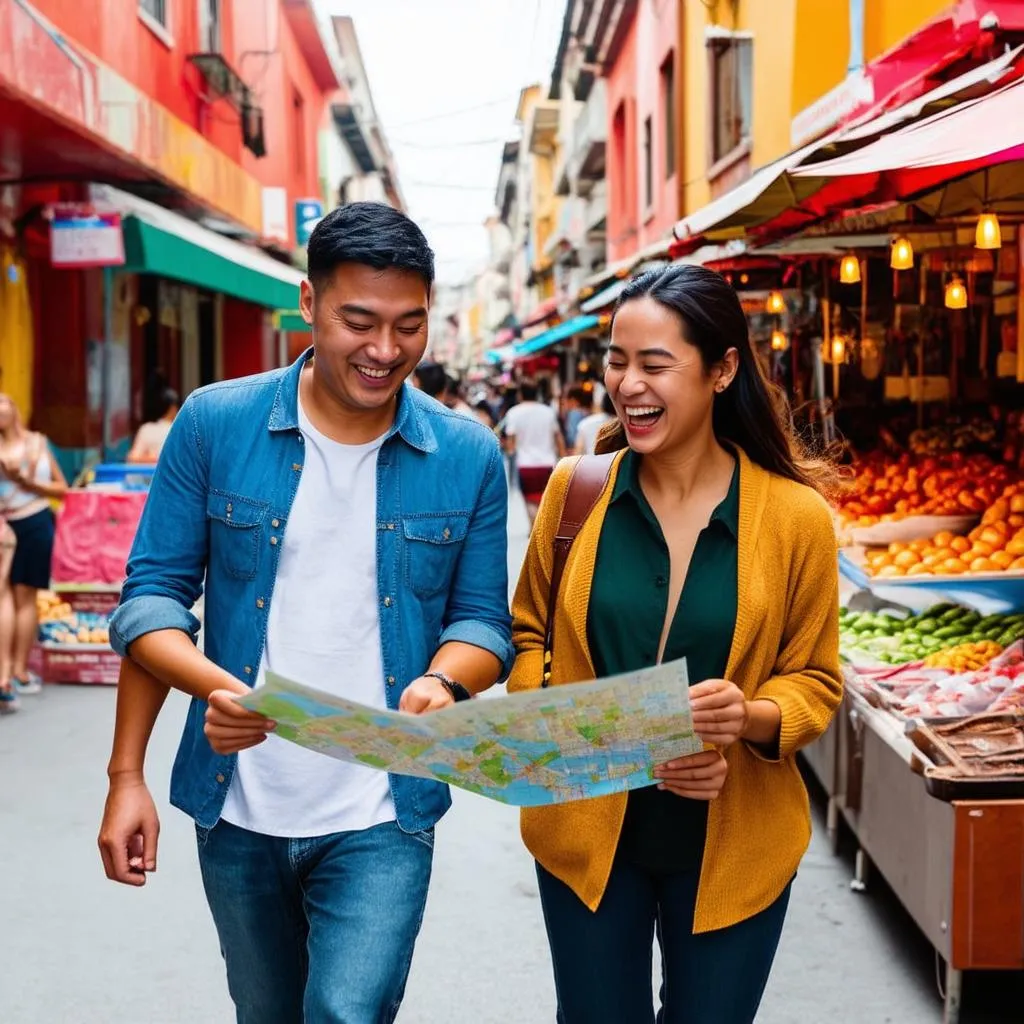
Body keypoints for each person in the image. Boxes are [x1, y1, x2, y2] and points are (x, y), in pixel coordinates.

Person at [97, 202, 513, 1024]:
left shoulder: (466, 455)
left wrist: (443, 679)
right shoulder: (217, 423)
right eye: (358, 320)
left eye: (408, 325)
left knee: (346, 1013)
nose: (384, 351)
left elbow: (482, 624)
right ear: (309, 304)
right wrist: (130, 771)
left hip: (385, 808)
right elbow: (149, 600)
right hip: (241, 805)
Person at [508, 265, 843, 1024]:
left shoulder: (796, 518)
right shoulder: (577, 490)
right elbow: (530, 631)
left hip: (735, 843)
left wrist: (747, 716)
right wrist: (547, 721)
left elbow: (815, 681)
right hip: (587, 831)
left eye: (656, 365)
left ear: (723, 369)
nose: (628, 385)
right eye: (618, 361)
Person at [0, 393, 68, 699]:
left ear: (13, 408)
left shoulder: (38, 442)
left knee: (25, 596)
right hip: (4, 526)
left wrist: (28, 483)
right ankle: (6, 671)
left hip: (37, 520)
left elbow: (62, 488)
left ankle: (19, 669)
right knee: (5, 597)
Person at [503, 379, 564, 527]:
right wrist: (563, 455)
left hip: (525, 464)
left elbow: (511, 443)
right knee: (544, 498)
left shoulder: (514, 413)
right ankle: (541, 528)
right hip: (547, 463)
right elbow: (558, 436)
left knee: (529, 498)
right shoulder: (548, 412)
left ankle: (534, 528)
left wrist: (509, 450)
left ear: (520, 394)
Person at [126, 388, 179, 464]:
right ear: (172, 408)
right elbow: (133, 458)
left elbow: (133, 457)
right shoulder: (178, 430)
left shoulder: (146, 429)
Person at [574, 391, 616, 455]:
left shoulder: (584, 424)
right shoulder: (620, 424)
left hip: (590, 463)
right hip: (615, 463)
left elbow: (578, 451)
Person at [561, 385, 591, 450]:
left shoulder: (574, 414)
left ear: (573, 400)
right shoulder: (586, 412)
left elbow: (572, 437)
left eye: (565, 398)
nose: (563, 401)